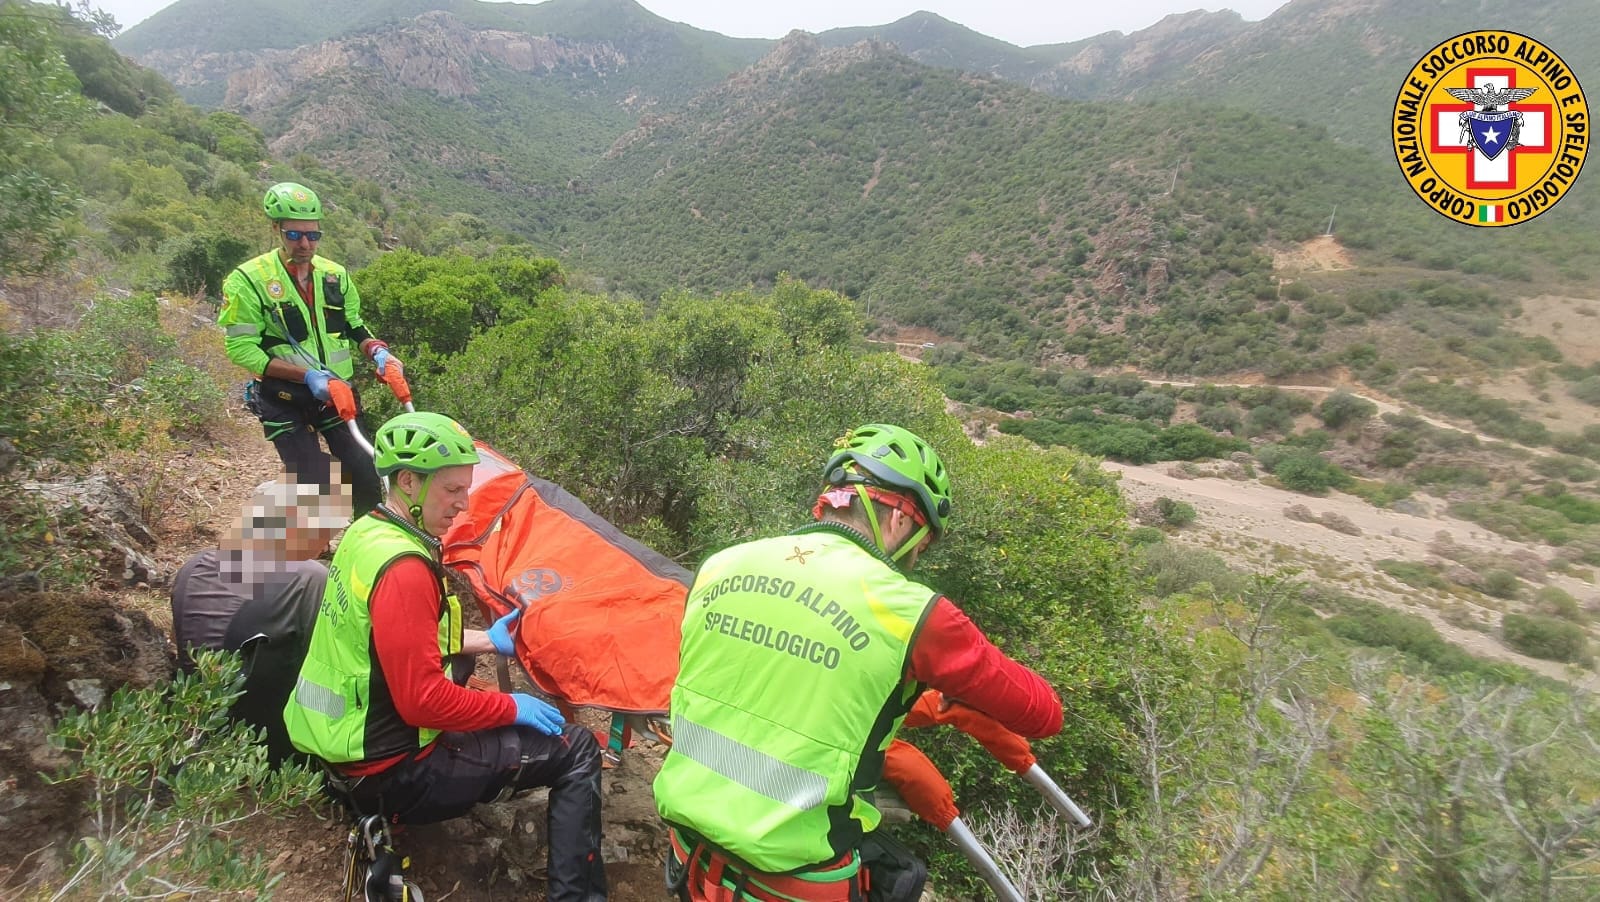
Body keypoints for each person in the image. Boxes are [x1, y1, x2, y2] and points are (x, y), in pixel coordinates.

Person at [654, 424, 1064, 902]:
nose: (917, 557)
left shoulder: (721, 564)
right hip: (793, 880)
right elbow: (1043, 715)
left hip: (689, 856)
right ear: (901, 522)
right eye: (923, 542)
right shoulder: (911, 613)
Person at [282, 411, 608, 902]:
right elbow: (422, 703)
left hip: (337, 748)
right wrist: (513, 707)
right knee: (577, 749)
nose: (463, 504)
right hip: (395, 772)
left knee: (462, 674)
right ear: (409, 481)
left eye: (466, 489)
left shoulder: (366, 534)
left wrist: (482, 641)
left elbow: (384, 637)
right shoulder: (406, 568)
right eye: (452, 490)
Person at [218, 181, 396, 515]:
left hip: (334, 392)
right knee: (315, 479)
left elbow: (352, 323)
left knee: (363, 467)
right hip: (282, 395)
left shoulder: (334, 275)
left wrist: (376, 350)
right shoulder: (248, 280)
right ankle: (307, 551)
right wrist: (307, 375)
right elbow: (242, 348)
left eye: (313, 236)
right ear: (276, 228)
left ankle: (363, 543)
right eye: (294, 235)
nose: (304, 244)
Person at [169, 477, 352, 763]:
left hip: (198, 730)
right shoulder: (308, 579)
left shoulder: (193, 568)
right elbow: (329, 667)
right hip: (270, 745)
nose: (322, 547)